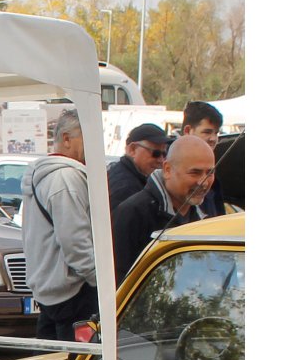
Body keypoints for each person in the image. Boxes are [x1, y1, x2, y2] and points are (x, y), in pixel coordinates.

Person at [19, 108, 96, 340]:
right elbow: (75, 243)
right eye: (89, 137)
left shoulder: (47, 175)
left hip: (51, 291)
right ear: (66, 139)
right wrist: (99, 280)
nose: (95, 146)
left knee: (52, 358)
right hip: (72, 293)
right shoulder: (66, 178)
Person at [110, 134, 215, 282]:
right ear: (167, 170)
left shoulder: (207, 213)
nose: (204, 182)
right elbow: (118, 279)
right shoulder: (133, 213)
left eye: (210, 173)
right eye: (195, 173)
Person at [107, 122, 168, 210]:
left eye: (164, 154)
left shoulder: (129, 176)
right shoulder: (126, 187)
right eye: (156, 153)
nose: (161, 160)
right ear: (132, 149)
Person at [179, 100, 224, 216]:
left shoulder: (215, 177)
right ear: (187, 131)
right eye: (207, 132)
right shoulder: (169, 167)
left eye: (216, 133)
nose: (213, 139)